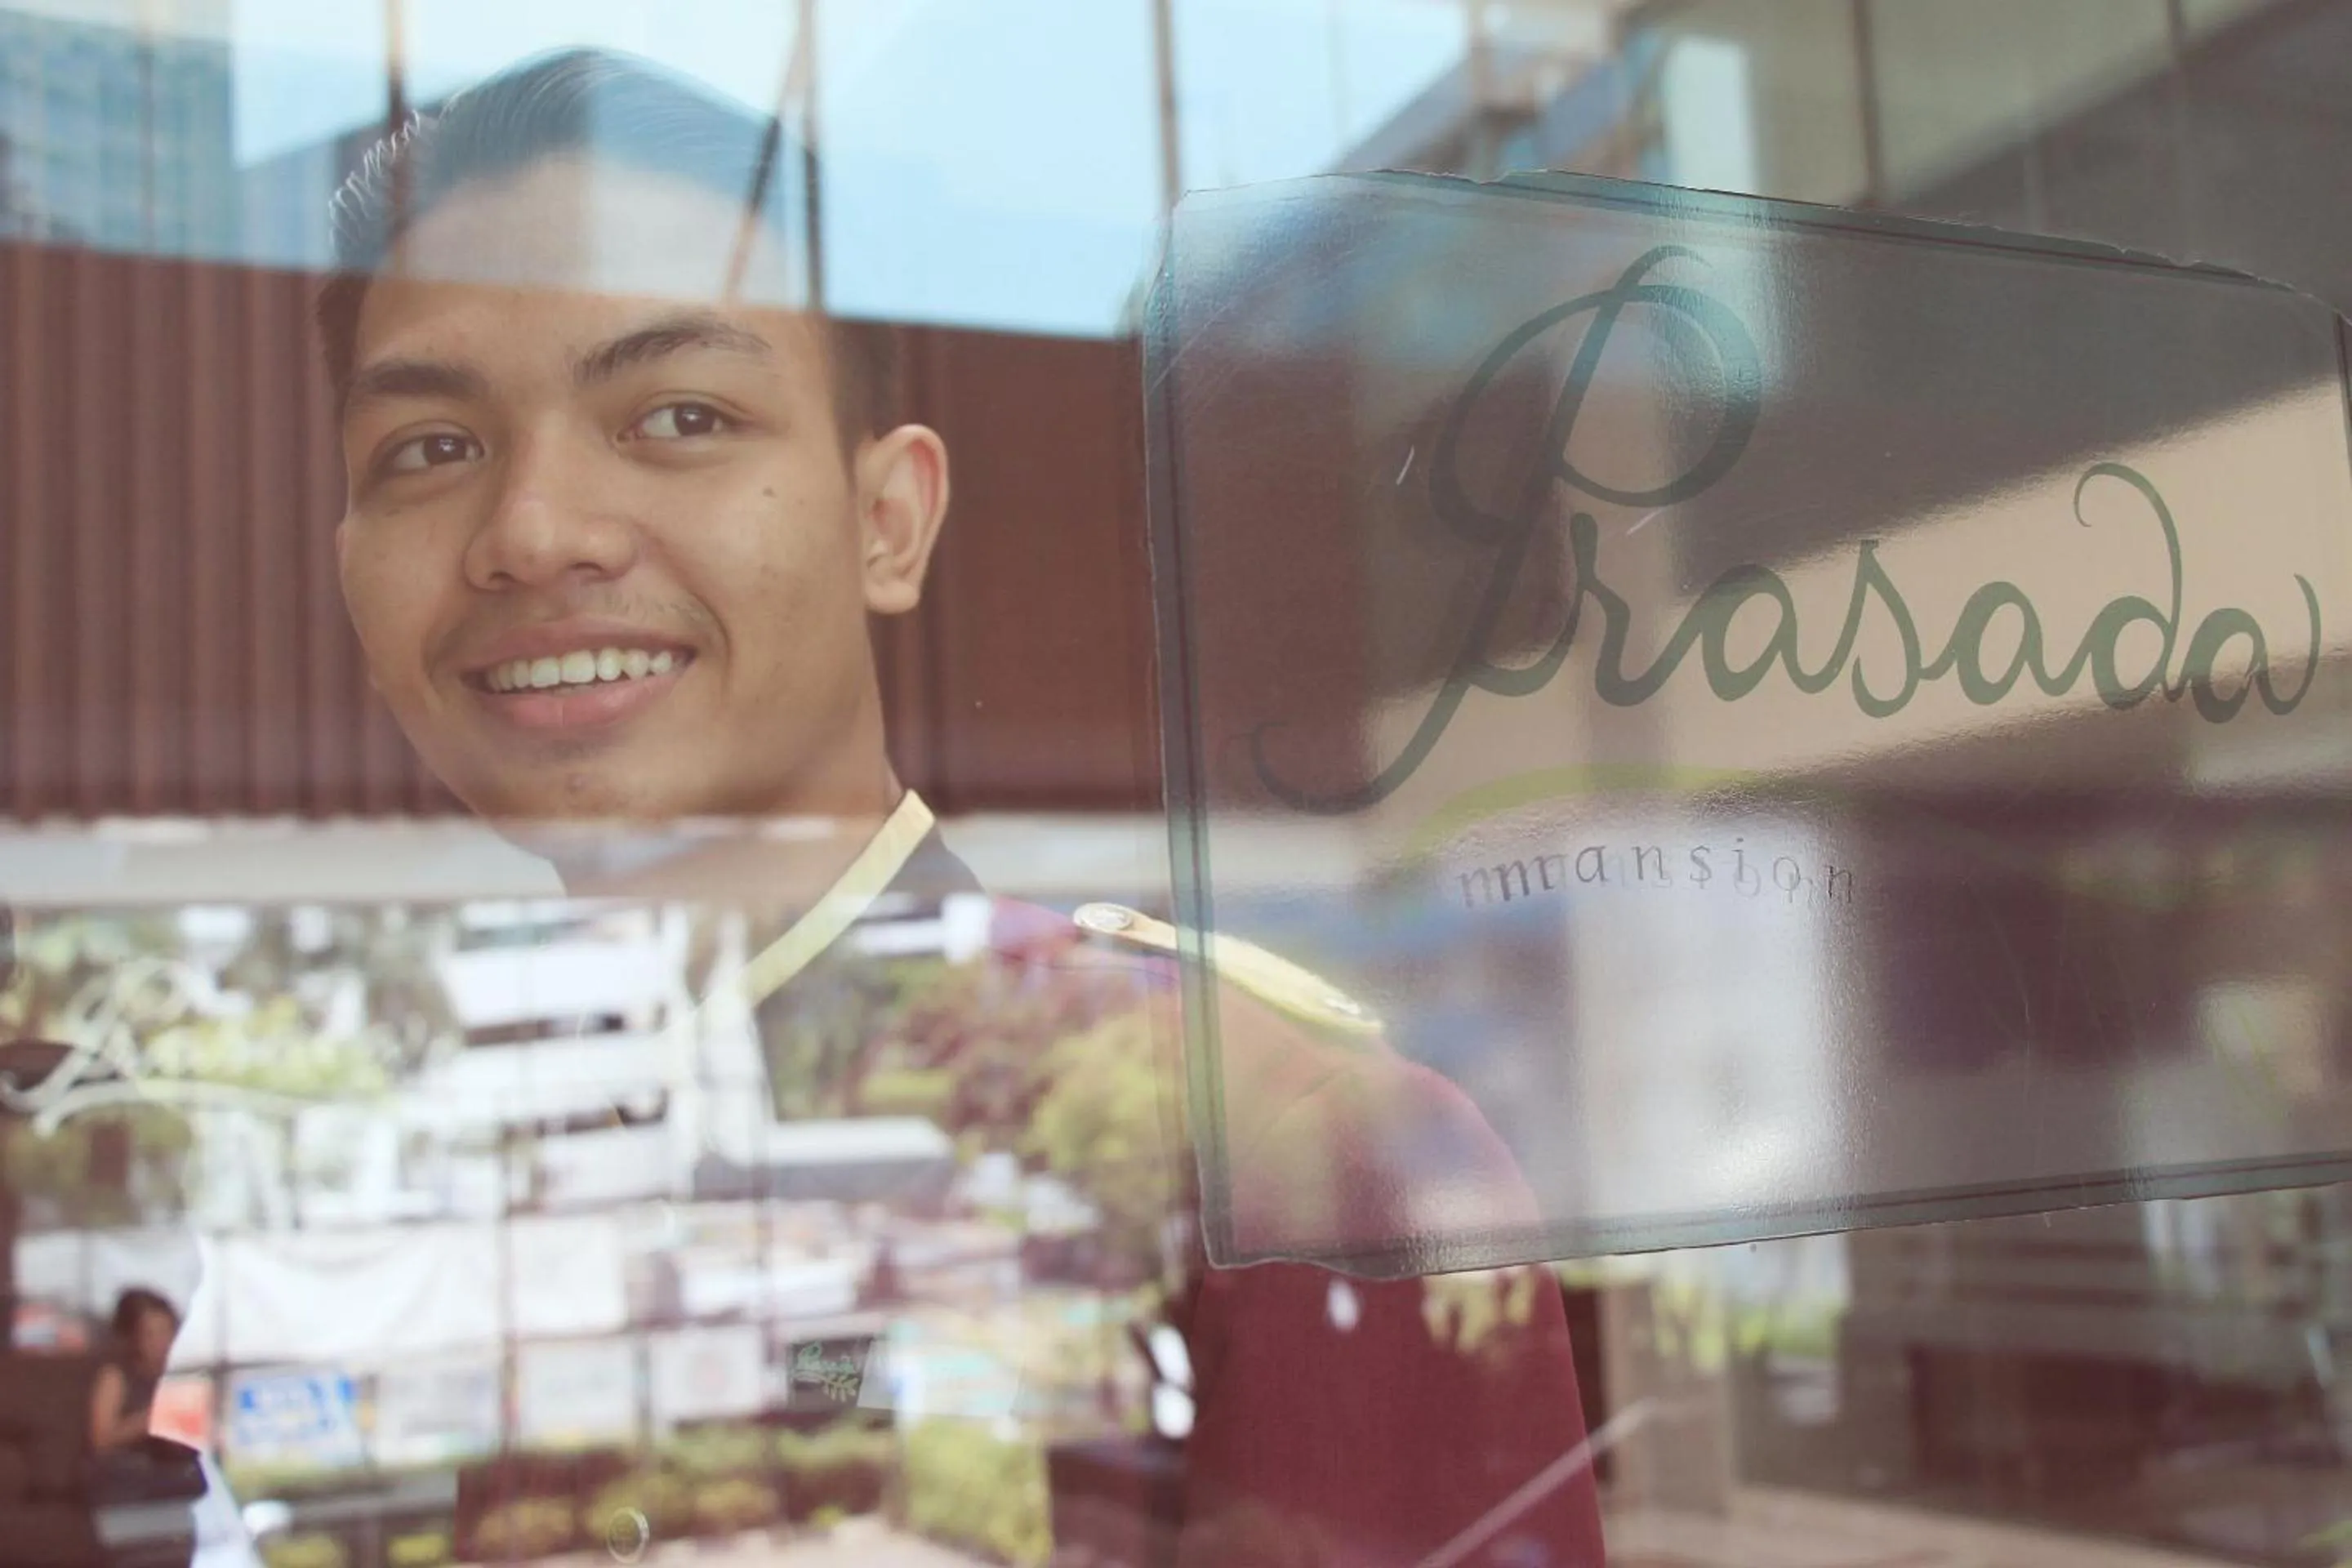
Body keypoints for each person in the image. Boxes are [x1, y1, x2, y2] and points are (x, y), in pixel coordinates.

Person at [319, 49, 1605, 1566]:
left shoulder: (1285, 1150)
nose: (531, 531)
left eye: (677, 416)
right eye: (433, 448)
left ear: (889, 521)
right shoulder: (436, 1155)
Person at [90, 1287, 178, 1454]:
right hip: (121, 1467)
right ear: (133, 1337)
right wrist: (150, 1418)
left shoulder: (177, 1373)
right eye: (150, 1335)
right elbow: (101, 1440)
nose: (162, 1343)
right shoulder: (115, 1375)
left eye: (166, 1331)